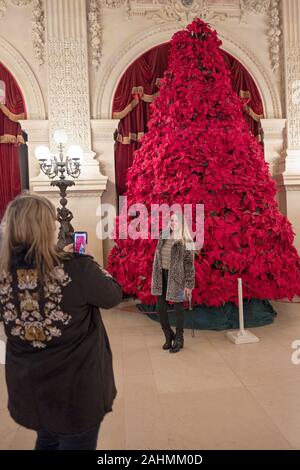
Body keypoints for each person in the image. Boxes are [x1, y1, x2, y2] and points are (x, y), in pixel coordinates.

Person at [0, 193, 122, 450]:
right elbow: (112, 295)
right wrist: (87, 262)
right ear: (46, 227)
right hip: (75, 390)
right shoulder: (76, 268)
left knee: (46, 439)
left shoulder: (3, 272)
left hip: (30, 387)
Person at [151, 212, 195, 353]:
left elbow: (189, 264)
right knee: (160, 307)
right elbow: (157, 255)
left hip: (176, 277)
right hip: (161, 275)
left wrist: (189, 284)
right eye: (171, 220)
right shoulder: (163, 236)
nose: (173, 223)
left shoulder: (185, 241)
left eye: (176, 221)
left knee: (178, 308)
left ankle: (179, 338)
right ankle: (168, 334)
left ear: (182, 224)